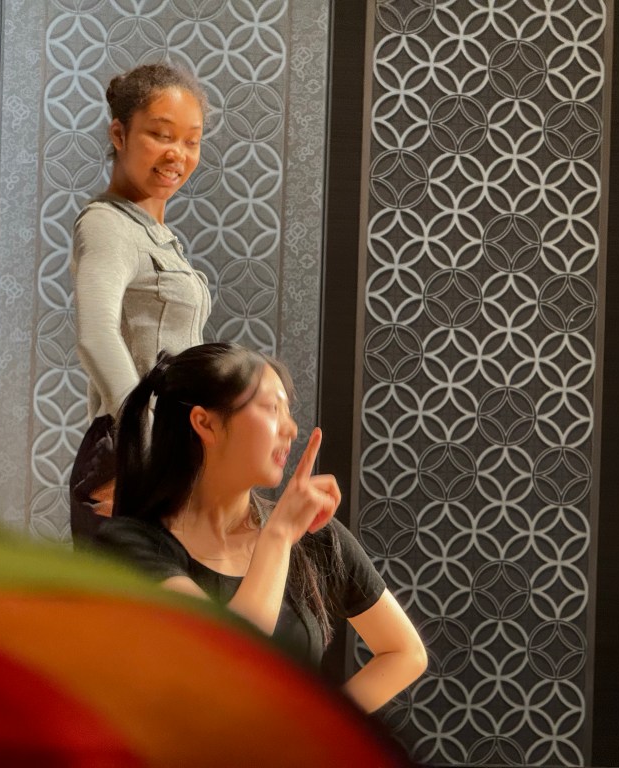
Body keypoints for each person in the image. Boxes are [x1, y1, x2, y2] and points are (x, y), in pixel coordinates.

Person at [94, 342, 427, 712]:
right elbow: (228, 661)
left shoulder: (313, 536)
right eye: (272, 408)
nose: (292, 428)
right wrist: (279, 536)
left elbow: (405, 652)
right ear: (205, 423)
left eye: (289, 411)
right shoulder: (128, 546)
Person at [69, 62, 211, 545]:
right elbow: (96, 335)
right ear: (119, 134)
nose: (177, 154)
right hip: (135, 455)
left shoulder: (153, 234)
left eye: (191, 141)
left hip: (170, 452)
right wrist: (144, 444)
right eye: (161, 135)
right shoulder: (107, 224)